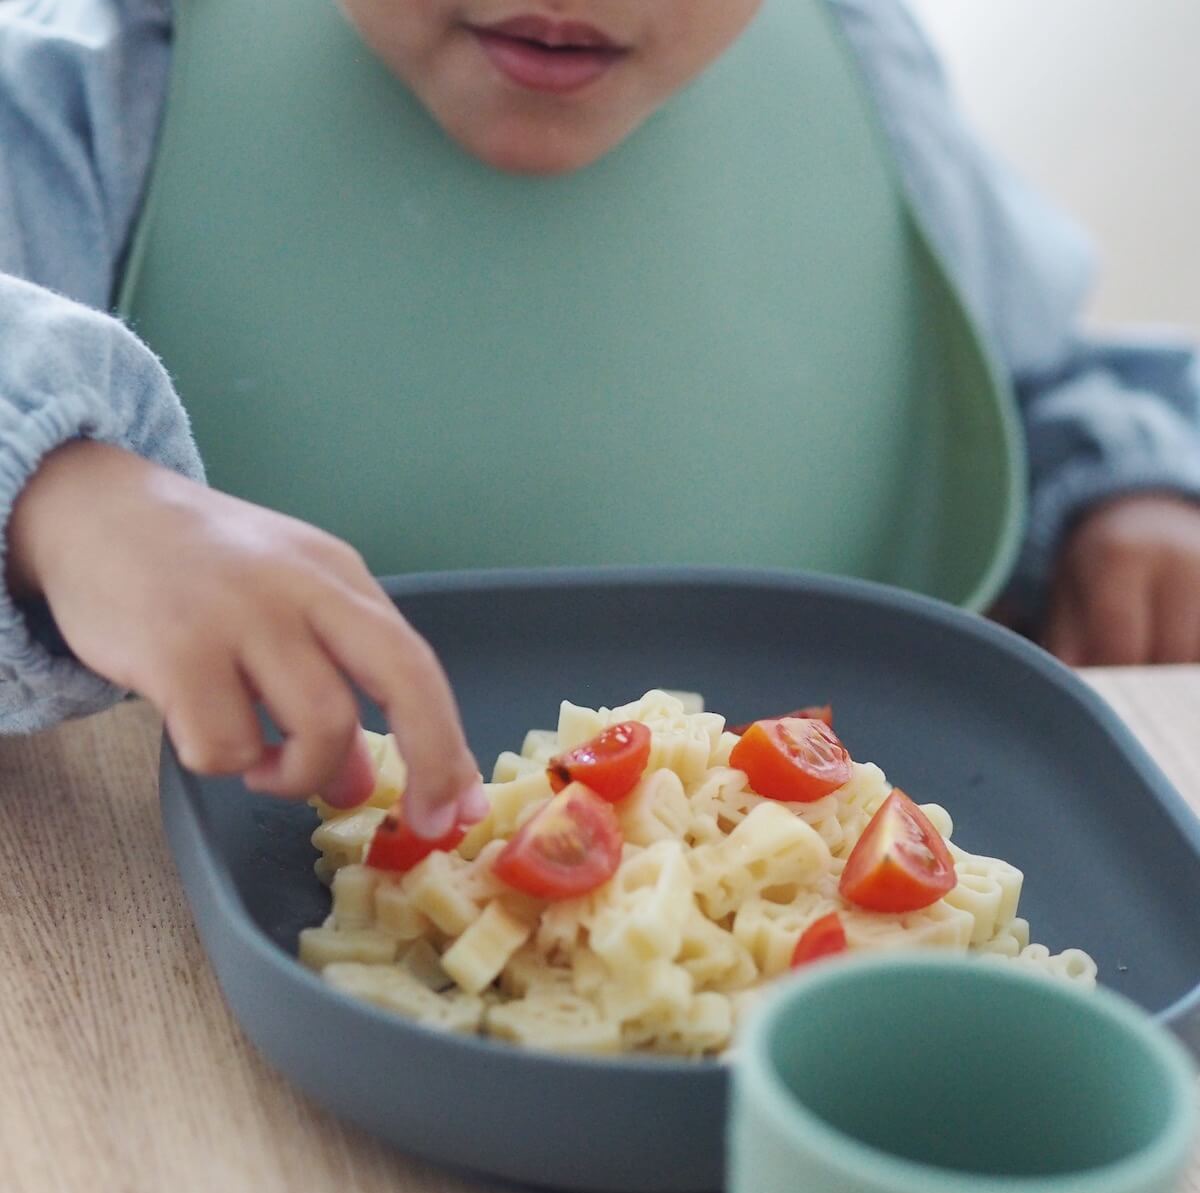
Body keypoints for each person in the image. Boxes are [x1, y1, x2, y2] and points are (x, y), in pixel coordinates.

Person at [2, 0, 1199, 838]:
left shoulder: (859, 58)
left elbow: (1018, 374)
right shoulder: (105, 73)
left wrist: (1118, 495)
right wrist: (62, 502)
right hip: (189, 923)